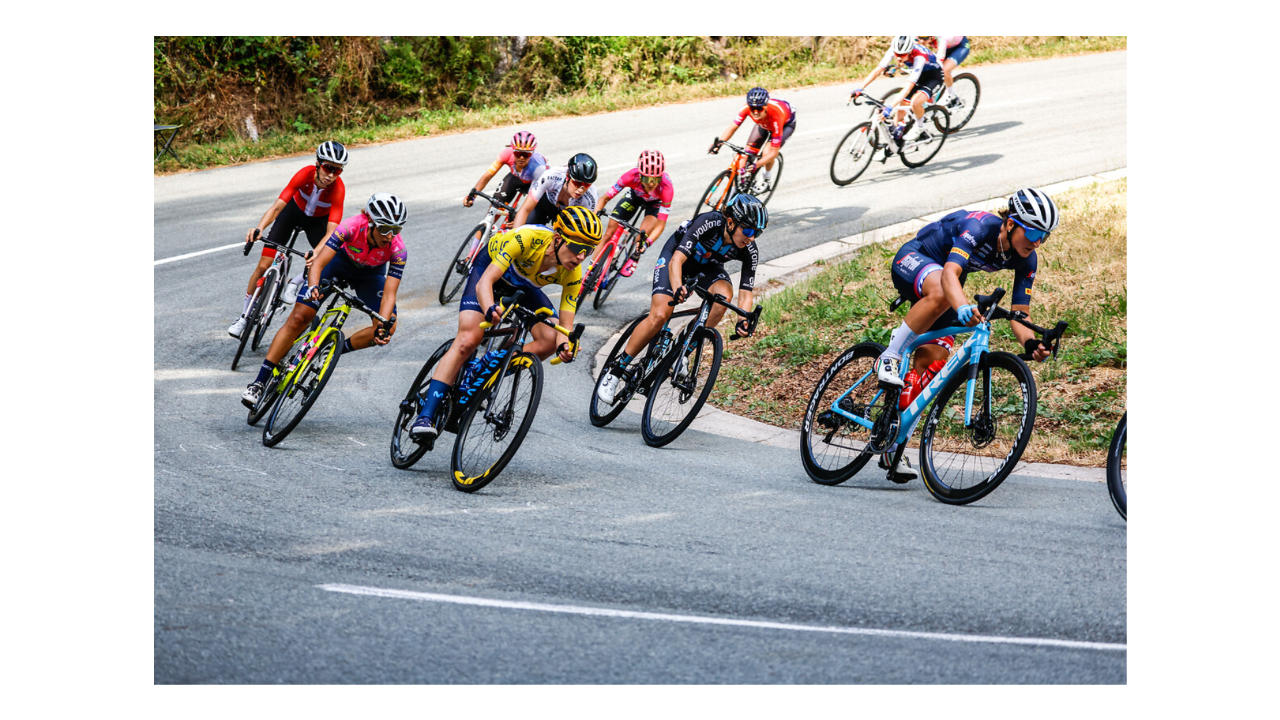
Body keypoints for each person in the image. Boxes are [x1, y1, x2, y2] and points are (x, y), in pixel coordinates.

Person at [873, 187, 1060, 479]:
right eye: (1034, 234)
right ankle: (888, 356)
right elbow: (950, 274)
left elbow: (1019, 314)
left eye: (1044, 237)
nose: (1037, 244)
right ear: (1011, 224)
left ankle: (891, 444)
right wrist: (960, 305)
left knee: (931, 367)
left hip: (943, 285)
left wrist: (1031, 341)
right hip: (915, 259)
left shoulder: (1026, 259)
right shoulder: (979, 226)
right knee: (943, 293)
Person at [409, 206, 603, 443]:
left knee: (551, 339)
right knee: (468, 340)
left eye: (588, 250)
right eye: (576, 247)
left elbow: (565, 325)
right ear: (558, 238)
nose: (581, 256)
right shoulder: (527, 239)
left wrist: (566, 345)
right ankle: (425, 417)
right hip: (490, 271)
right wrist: (490, 308)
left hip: (523, 287)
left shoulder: (573, 272)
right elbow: (485, 284)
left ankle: (488, 372)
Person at [240, 193, 408, 408]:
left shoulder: (398, 250)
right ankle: (259, 383)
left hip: (370, 276)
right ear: (371, 222)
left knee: (388, 326)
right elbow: (318, 264)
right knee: (300, 316)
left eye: (397, 229)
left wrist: (382, 325)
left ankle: (332, 350)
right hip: (338, 264)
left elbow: (389, 294)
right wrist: (312, 287)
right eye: (385, 228)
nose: (390, 235)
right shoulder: (351, 227)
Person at [596, 194, 767, 405]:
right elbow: (677, 259)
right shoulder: (709, 222)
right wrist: (677, 288)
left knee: (723, 298)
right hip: (676, 258)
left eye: (757, 233)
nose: (752, 237)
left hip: (706, 268)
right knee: (660, 315)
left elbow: (746, 292)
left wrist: (743, 319)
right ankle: (616, 370)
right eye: (748, 230)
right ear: (730, 222)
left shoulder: (750, 249)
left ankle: (683, 351)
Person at [230, 141, 349, 338]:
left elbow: (332, 232)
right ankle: (244, 317)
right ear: (318, 163)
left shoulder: (338, 189)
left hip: (318, 222)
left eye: (337, 171)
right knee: (263, 266)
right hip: (292, 213)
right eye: (328, 167)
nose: (331, 175)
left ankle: (294, 282)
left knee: (327, 257)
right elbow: (277, 207)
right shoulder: (305, 174)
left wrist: (317, 252)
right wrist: (260, 228)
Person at [588, 150, 675, 278]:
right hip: (635, 196)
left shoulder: (667, 188)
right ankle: (591, 270)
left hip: (654, 203)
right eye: (647, 178)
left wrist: (647, 243)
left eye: (656, 179)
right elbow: (604, 199)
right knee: (609, 232)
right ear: (639, 176)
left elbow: (660, 225)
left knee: (642, 235)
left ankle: (635, 255)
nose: (651, 184)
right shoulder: (630, 176)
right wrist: (594, 217)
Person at [849, 36, 944, 151]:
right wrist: (860, 88)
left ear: (909, 52)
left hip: (933, 77)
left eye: (902, 55)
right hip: (918, 75)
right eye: (897, 54)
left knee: (915, 103)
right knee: (898, 117)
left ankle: (920, 127)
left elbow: (908, 87)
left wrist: (890, 107)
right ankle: (900, 144)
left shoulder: (919, 57)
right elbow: (878, 69)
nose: (898, 58)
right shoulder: (896, 50)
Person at [710, 87, 794, 190]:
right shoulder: (746, 108)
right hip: (763, 123)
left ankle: (766, 178)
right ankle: (740, 186)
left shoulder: (776, 117)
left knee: (767, 153)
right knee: (746, 155)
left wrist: (757, 164)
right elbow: (733, 127)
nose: (755, 112)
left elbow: (774, 153)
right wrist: (719, 144)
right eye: (752, 108)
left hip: (785, 124)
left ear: (766, 106)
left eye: (759, 109)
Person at [511, 153, 599, 228]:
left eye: (587, 185)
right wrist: (514, 235)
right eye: (578, 183)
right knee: (525, 230)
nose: (581, 190)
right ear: (568, 176)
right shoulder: (552, 176)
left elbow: (584, 232)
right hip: (545, 204)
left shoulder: (591, 198)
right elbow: (525, 209)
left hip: (568, 214)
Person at [921, 36, 971, 105]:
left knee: (943, 71)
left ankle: (952, 96)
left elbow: (939, 62)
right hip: (947, 47)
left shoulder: (941, 40)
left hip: (960, 47)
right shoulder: (918, 38)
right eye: (920, 37)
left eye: (925, 38)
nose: (921, 41)